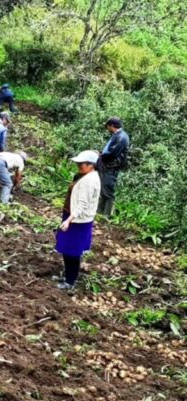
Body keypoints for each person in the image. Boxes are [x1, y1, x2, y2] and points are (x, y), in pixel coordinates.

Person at [55, 151, 101, 291]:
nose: (78, 166)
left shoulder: (89, 181)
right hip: (73, 216)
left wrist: (69, 220)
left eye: (81, 164)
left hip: (78, 221)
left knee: (72, 251)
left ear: (91, 165)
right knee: (66, 249)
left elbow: (82, 204)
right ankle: (67, 275)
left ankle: (70, 281)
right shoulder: (85, 176)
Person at [97, 117, 130, 217]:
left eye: (107, 126)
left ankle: (107, 215)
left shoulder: (121, 137)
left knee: (108, 191)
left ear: (111, 125)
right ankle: (99, 212)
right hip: (107, 166)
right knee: (103, 190)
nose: (107, 128)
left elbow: (112, 153)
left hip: (111, 167)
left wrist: (101, 155)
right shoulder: (117, 135)